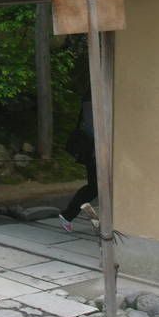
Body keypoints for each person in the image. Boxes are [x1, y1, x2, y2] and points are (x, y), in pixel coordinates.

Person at [58, 91, 96, 233]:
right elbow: (92, 128)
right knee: (95, 187)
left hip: (94, 151)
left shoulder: (90, 97)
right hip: (95, 152)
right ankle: (68, 215)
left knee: (95, 187)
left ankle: (68, 215)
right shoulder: (92, 99)